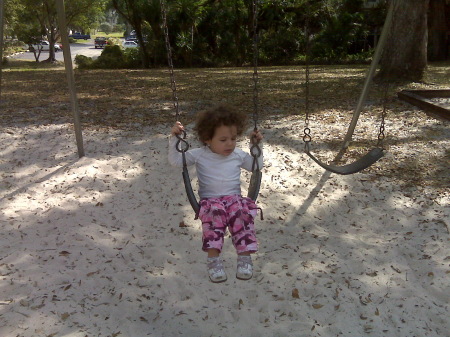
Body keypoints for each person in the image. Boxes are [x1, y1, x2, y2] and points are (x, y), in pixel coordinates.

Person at [168, 105, 263, 283]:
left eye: (233, 138)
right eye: (223, 139)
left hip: (234, 199)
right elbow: (175, 161)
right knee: (215, 216)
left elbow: (256, 166)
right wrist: (175, 138)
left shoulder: (238, 155)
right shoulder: (199, 155)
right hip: (211, 202)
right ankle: (213, 260)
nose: (230, 143)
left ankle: (244, 258)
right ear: (207, 139)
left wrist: (256, 145)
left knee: (242, 213)